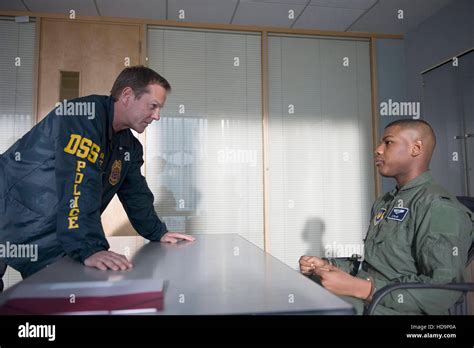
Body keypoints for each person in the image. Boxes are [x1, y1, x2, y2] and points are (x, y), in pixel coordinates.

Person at [0, 66, 195, 285]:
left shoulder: (128, 146)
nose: (157, 116)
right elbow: (80, 180)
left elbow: (136, 194)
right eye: (153, 106)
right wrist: (89, 246)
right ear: (127, 95)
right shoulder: (83, 116)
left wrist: (158, 232)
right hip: (8, 206)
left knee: (51, 293)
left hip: (46, 227)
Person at [300, 119, 473, 315]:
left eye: (388, 142)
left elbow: (445, 291)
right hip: (374, 302)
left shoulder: (439, 207)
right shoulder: (385, 202)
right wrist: (329, 266)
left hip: (398, 309)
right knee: (307, 286)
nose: (378, 150)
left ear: (416, 148)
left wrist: (362, 288)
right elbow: (375, 266)